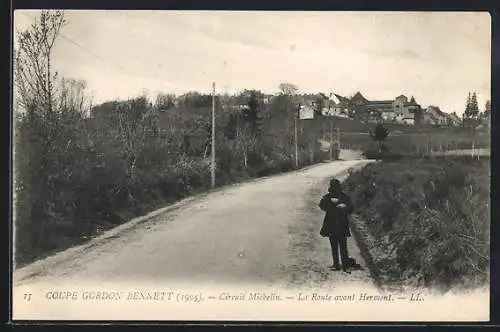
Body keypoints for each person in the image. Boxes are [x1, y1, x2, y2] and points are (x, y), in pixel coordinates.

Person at [318, 178, 354, 273]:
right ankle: (344, 265)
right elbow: (351, 208)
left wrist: (338, 205)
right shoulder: (343, 197)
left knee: (336, 246)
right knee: (342, 246)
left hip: (333, 225)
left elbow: (322, 206)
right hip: (340, 225)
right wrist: (340, 205)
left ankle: (337, 265)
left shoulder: (329, 196)